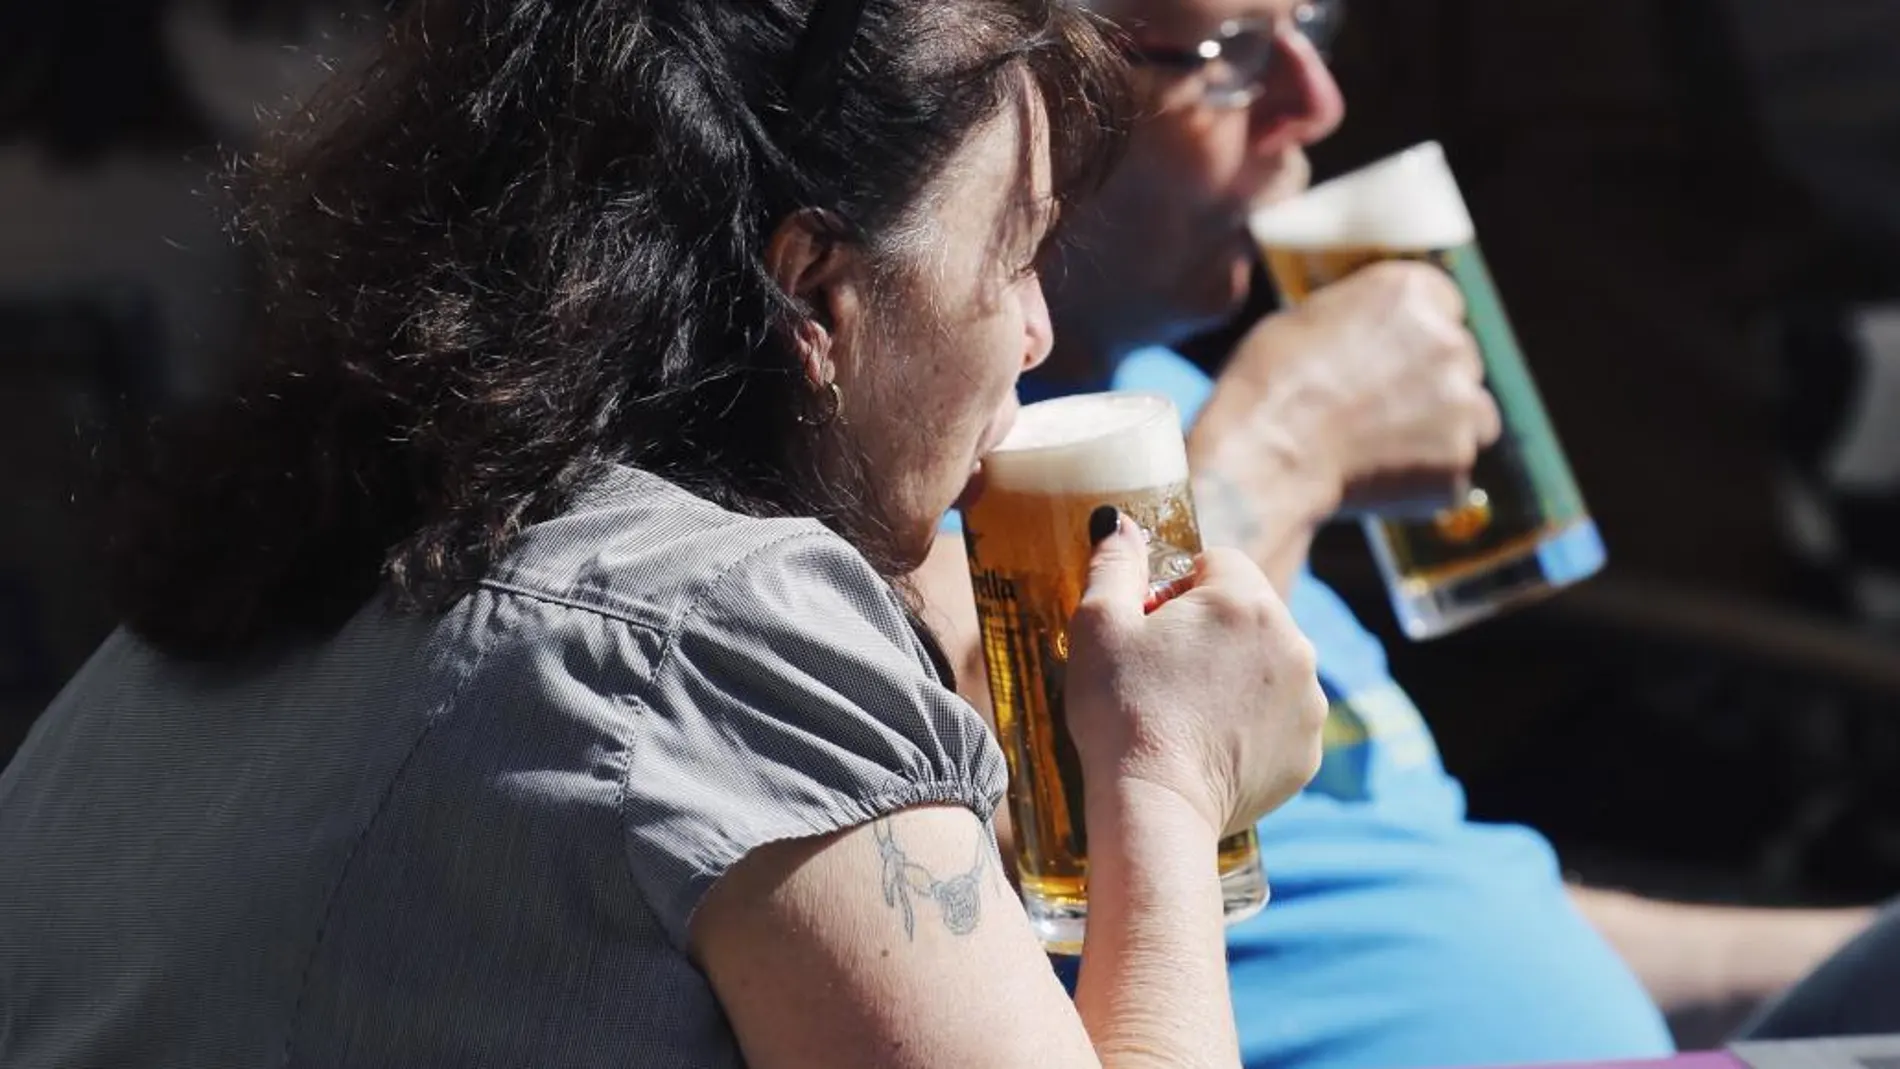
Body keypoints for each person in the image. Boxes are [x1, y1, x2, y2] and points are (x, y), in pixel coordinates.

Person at [0, 2, 1332, 1066]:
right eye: (1017, 252)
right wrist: (1162, 787)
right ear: (815, 287)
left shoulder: (236, 604)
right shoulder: (725, 632)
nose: (1037, 333)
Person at [912, 1, 1880, 1066]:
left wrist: (1859, 950)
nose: (1314, 102)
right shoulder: (939, 471)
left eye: (1309, 27)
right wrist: (1289, 443)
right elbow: (975, 833)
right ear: (1019, 95)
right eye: (1230, 56)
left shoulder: (1174, 398)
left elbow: (1412, 907)